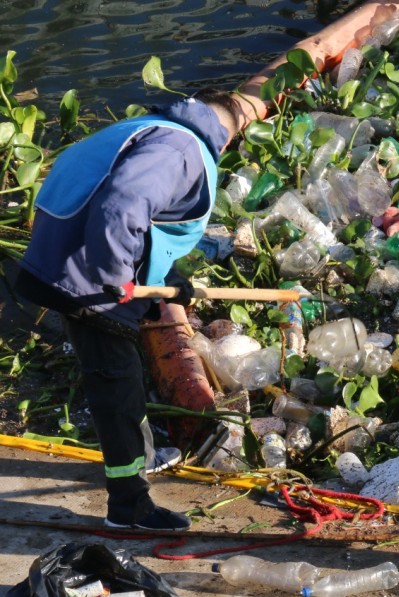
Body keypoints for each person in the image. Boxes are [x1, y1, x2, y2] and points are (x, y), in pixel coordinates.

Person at [14, 88, 243, 531]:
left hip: (61, 257)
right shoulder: (182, 147)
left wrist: (164, 287)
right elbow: (121, 203)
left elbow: (147, 218)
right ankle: (129, 506)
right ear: (227, 137)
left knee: (119, 375)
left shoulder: (149, 130)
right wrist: (116, 274)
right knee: (117, 384)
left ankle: (139, 458)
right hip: (88, 274)